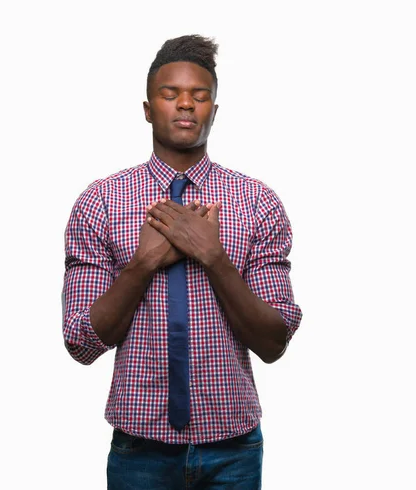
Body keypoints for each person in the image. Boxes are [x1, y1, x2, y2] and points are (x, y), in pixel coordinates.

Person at [62, 34, 302, 489]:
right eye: (171, 95)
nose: (186, 105)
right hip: (140, 453)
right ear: (149, 109)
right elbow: (80, 343)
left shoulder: (257, 202)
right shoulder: (100, 202)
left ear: (215, 110)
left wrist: (213, 257)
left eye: (200, 96)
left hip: (233, 451)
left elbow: (274, 343)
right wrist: (143, 263)